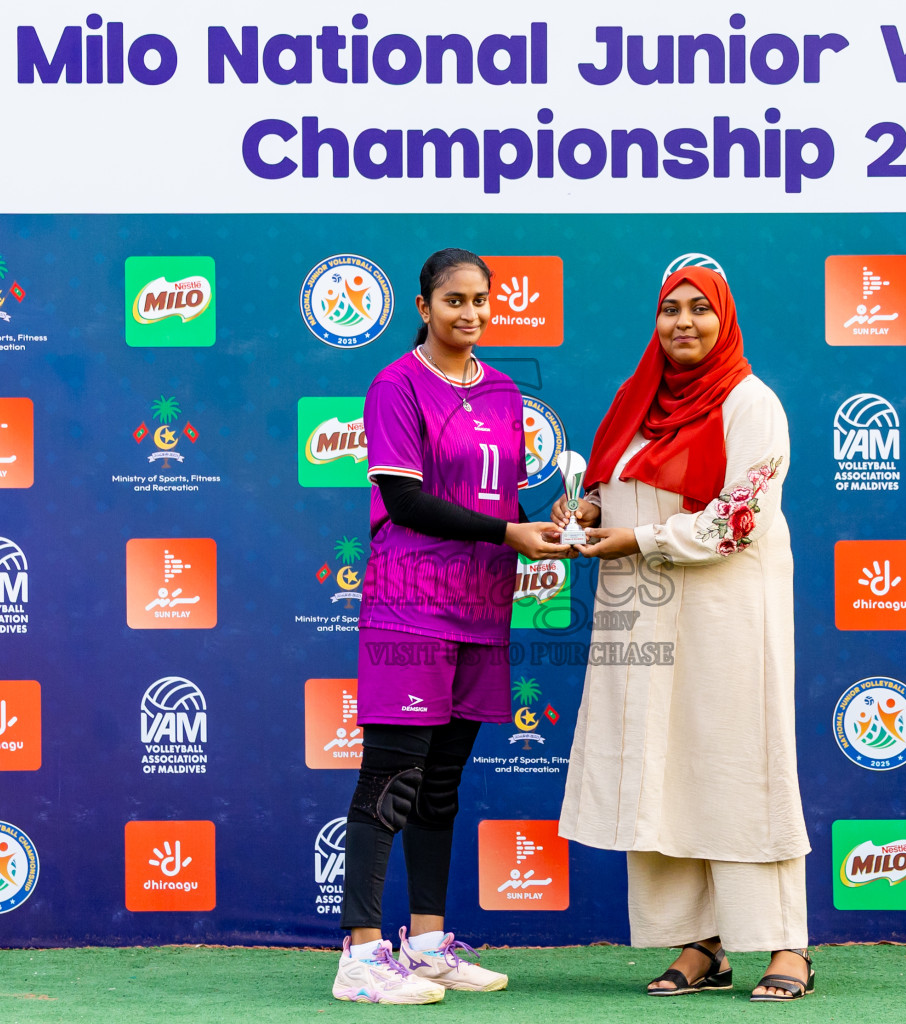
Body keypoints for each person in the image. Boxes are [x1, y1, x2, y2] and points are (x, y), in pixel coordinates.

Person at [555, 264, 813, 1001]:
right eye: (671, 309)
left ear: (723, 318)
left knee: (741, 763)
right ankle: (701, 944)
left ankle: (786, 946)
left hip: (727, 610)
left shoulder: (750, 401)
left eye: (701, 309)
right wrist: (588, 514)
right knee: (662, 769)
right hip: (645, 609)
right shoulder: (637, 399)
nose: (684, 323)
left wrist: (638, 539)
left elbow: (740, 518)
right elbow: (613, 486)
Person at [333, 248, 572, 1005]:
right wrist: (508, 534)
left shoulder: (503, 392)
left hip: (482, 608)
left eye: (479, 300)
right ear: (423, 306)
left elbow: (497, 503)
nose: (469, 313)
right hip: (410, 606)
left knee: (440, 785)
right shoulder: (395, 385)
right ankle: (359, 957)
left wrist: (544, 529)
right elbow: (405, 500)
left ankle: (429, 945)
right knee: (392, 781)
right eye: (453, 300)